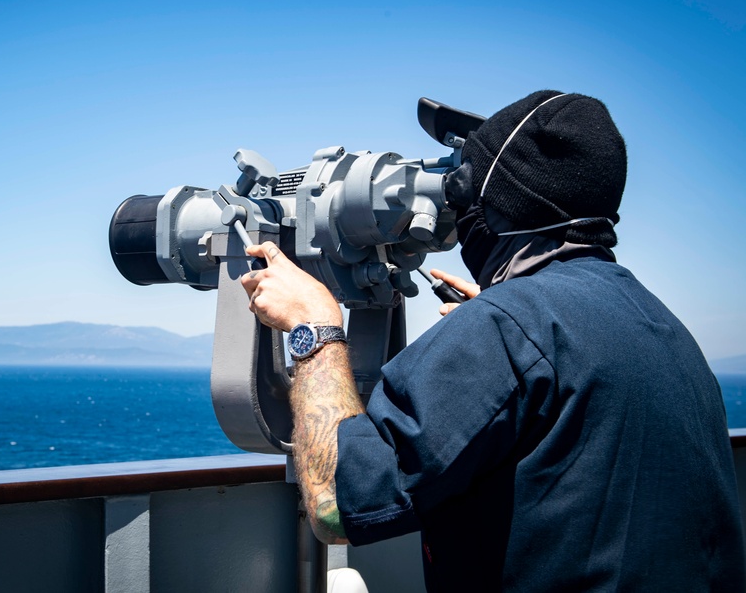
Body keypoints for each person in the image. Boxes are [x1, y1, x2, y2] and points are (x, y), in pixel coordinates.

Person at [240, 90, 746, 591]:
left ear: (494, 204)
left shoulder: (507, 330)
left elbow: (334, 504)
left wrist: (315, 324)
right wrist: (502, 328)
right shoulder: (665, 330)